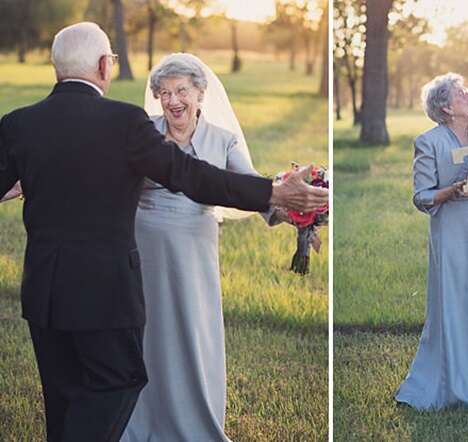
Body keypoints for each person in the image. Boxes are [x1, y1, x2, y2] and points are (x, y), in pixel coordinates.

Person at [0, 22, 327, 442]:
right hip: (105, 288)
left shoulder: (19, 123)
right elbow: (188, 174)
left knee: (62, 393)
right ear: (104, 65)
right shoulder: (125, 122)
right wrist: (274, 191)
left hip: (43, 290)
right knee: (118, 382)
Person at [120, 53, 290, 442]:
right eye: (164, 93)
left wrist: (294, 217)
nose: (173, 100)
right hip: (145, 246)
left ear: (200, 93)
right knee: (147, 332)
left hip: (195, 248)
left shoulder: (223, 139)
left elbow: (250, 188)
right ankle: (142, 421)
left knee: (193, 331)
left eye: (181, 90)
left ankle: (194, 421)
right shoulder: (144, 133)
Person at [395, 73, 468, 410]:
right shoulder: (429, 141)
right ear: (445, 107)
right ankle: (455, 385)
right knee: (455, 302)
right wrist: (451, 191)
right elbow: (421, 196)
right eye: (460, 92)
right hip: (452, 230)